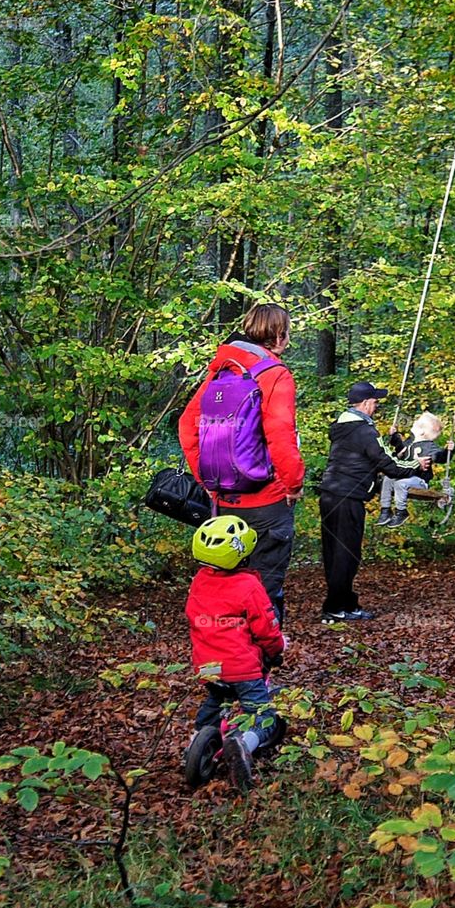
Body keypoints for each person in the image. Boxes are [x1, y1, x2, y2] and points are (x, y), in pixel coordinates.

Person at [179, 303, 304, 624]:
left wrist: (207, 481)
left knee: (229, 581)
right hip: (267, 500)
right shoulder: (275, 375)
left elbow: (187, 426)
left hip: (225, 501)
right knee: (265, 587)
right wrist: (293, 484)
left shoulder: (221, 371)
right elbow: (280, 433)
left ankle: (226, 655)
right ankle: (258, 664)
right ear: (279, 335)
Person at [186, 514, 286, 790]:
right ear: (243, 555)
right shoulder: (248, 585)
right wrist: (276, 650)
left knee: (215, 699)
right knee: (262, 715)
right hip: (242, 668)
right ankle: (242, 744)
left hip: (208, 665)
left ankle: (196, 742)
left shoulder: (199, 582)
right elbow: (266, 627)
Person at [318, 381, 431, 623]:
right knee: (346, 554)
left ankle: (345, 604)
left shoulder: (342, 427)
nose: (377, 406)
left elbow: (366, 460)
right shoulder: (364, 430)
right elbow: (387, 464)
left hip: (331, 494)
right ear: (367, 403)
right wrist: (416, 466)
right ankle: (336, 607)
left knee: (336, 552)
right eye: (376, 402)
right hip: (347, 497)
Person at [378, 411, 454, 528]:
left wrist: (448, 451)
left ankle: (401, 511)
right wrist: (394, 436)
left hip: (419, 480)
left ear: (422, 432)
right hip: (405, 477)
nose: (413, 423)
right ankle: (385, 509)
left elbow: (439, 457)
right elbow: (399, 449)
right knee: (388, 479)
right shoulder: (410, 442)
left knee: (400, 483)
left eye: (417, 423)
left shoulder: (429, 446)